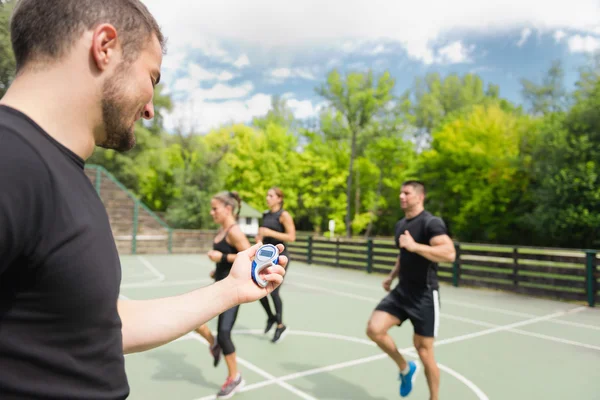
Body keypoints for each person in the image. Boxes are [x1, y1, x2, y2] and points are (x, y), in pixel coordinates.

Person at [0, 1, 286, 399]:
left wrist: (230, 290)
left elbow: (103, 325)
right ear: (105, 47)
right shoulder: (11, 157)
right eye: (152, 77)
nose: (150, 108)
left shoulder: (60, 172)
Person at [366, 181, 455, 400]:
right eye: (400, 192)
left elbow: (449, 253)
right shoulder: (400, 225)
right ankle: (405, 368)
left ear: (419, 196)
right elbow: (403, 255)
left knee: (424, 351)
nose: (401, 196)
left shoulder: (431, 223)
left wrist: (415, 246)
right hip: (401, 290)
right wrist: (391, 276)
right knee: (374, 329)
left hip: (424, 295)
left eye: (406, 193)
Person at [205, 191, 252, 398]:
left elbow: (249, 257)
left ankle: (235, 377)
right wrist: (218, 269)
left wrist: (221, 256)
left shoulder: (234, 231)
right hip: (220, 285)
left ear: (228, 209)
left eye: (215, 208)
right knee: (194, 319)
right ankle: (213, 343)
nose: (211, 212)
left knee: (224, 334)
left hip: (233, 290)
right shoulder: (223, 230)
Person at [255, 187, 296, 343]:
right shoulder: (265, 214)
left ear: (279, 198)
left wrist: (270, 233)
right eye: (267, 195)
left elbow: (291, 236)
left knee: (273, 292)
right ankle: (271, 317)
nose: (267, 197)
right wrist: (259, 240)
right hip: (265, 257)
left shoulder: (284, 215)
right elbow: (261, 236)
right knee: (258, 287)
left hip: (280, 256)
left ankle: (280, 325)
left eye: (271, 195)